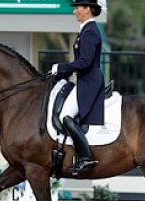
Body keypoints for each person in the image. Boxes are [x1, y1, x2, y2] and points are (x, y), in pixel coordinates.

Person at [51, 0, 104, 174]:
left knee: (66, 116)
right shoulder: (85, 31)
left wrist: (61, 67)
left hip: (89, 82)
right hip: (83, 80)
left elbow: (85, 62)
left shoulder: (90, 32)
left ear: (88, 9)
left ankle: (86, 157)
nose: (74, 12)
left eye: (77, 8)